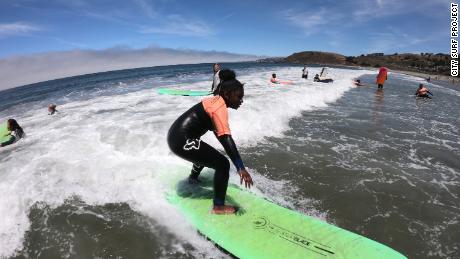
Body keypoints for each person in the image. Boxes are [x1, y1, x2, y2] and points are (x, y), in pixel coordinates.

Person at [167, 69, 253, 215]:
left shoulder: (215, 101)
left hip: (176, 137)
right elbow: (226, 138)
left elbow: (220, 135)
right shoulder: (219, 108)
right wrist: (240, 167)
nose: (241, 101)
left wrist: (238, 163)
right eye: (239, 97)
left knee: (206, 154)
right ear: (227, 94)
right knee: (223, 164)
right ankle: (218, 206)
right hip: (181, 140)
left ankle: (193, 179)